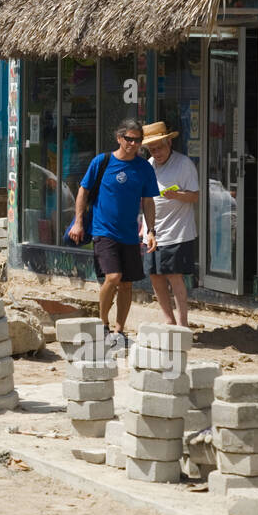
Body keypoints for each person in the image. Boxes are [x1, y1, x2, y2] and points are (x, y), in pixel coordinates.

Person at [68, 119, 159, 348]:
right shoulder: (102, 161)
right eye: (128, 139)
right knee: (113, 277)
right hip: (103, 230)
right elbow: (83, 191)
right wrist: (78, 223)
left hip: (129, 234)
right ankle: (102, 324)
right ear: (119, 138)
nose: (133, 143)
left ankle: (119, 331)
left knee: (127, 284)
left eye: (137, 140)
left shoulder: (144, 168)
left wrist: (150, 231)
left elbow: (148, 201)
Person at [140, 122, 200, 328]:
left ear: (169, 142)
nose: (156, 152)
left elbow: (194, 196)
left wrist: (177, 195)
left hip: (177, 231)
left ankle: (183, 323)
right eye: (152, 149)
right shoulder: (148, 165)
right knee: (155, 276)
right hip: (152, 231)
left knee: (174, 276)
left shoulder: (184, 164)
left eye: (160, 147)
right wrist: (146, 229)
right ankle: (168, 319)